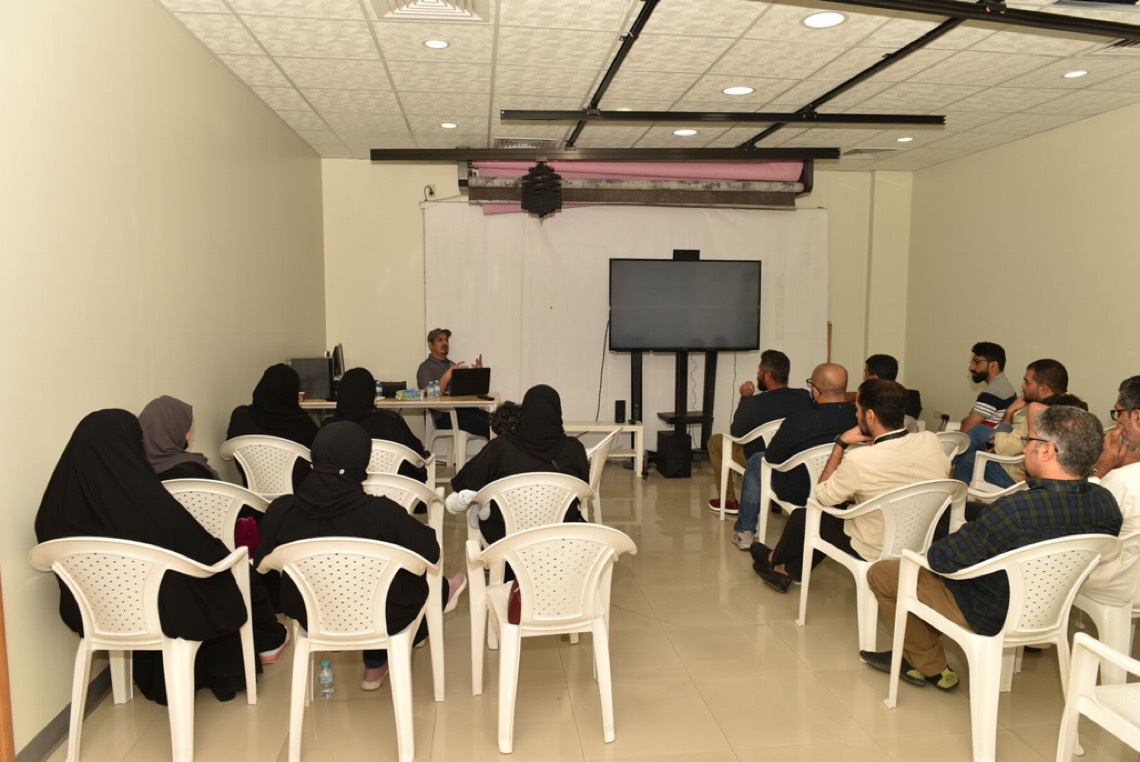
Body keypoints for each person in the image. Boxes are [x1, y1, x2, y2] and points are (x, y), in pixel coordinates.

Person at [860, 405, 1121, 691]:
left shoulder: (1017, 509)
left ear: (1046, 451)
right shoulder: (1106, 503)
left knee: (883, 574)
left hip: (987, 610)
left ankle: (928, 664)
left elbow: (941, 559)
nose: (1026, 447)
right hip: (1051, 609)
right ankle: (918, 652)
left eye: (1029, 440)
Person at [34, 410, 282, 703]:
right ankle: (227, 668)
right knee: (222, 578)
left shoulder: (52, 510)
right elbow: (198, 547)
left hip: (94, 611)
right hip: (155, 608)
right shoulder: (140, 501)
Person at [254, 422, 465, 690]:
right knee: (410, 581)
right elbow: (431, 552)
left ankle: (381, 656)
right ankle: (378, 661)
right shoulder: (381, 513)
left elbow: (261, 564)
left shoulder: (281, 510)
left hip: (312, 612)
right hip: (381, 615)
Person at [752, 379, 950, 592]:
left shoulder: (861, 459)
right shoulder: (931, 440)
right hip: (920, 538)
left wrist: (840, 444)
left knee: (806, 516)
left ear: (870, 416)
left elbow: (822, 497)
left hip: (875, 546)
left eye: (857, 409)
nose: (855, 415)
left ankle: (774, 559)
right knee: (836, 511)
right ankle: (789, 570)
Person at [731, 363, 856, 550]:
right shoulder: (860, 420)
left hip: (799, 491)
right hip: (844, 489)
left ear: (815, 391)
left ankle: (745, 531)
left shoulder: (799, 421)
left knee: (758, 459)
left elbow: (772, 458)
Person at [450, 384, 589, 545]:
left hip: (506, 542)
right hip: (562, 539)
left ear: (524, 412)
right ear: (558, 413)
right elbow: (583, 490)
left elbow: (464, 482)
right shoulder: (574, 449)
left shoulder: (501, 447)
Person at [706, 350, 812, 516]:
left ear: (768, 375)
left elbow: (736, 434)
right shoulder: (804, 396)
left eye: (759, 370)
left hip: (761, 460)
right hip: (794, 460)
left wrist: (745, 398)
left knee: (715, 441)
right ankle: (775, 499)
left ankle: (728, 501)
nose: (757, 374)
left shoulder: (754, 403)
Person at [953, 358, 1069, 486]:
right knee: (980, 431)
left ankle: (951, 485)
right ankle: (947, 464)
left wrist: (1009, 412)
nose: (1023, 386)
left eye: (1027, 382)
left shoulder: (1038, 414)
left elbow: (1005, 448)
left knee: (968, 461)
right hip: (1047, 470)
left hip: (1016, 476)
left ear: (1043, 388)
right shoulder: (1072, 410)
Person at [1081, 376, 1140, 605]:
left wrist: (1100, 468)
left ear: (1137, 417)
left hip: (1117, 584)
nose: (1117, 422)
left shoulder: (1122, 481)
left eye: (1119, 412)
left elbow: (1081, 521)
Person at [324, 367, 429, 482]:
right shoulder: (390, 423)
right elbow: (416, 455)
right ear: (371, 393)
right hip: (395, 487)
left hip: (344, 487)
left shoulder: (328, 429)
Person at [227, 363, 318, 490]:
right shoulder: (305, 426)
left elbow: (228, 453)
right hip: (297, 495)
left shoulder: (240, 417)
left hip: (253, 494)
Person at [416, 327, 490, 439]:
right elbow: (428, 394)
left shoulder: (452, 364)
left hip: (465, 409)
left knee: (498, 421)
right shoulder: (425, 367)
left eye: (446, 340)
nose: (445, 343)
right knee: (488, 426)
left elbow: (466, 392)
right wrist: (447, 375)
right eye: (440, 340)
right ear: (430, 345)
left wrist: (477, 375)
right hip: (445, 415)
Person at [139, 395, 219, 481]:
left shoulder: (133, 471)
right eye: (188, 429)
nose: (189, 436)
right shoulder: (197, 474)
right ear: (175, 432)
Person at [960, 341, 1017, 433]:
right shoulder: (1002, 384)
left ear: (993, 365)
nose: (971, 367)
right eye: (972, 362)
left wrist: (964, 422)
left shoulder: (993, 392)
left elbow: (965, 431)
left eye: (977, 362)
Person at [863, 354, 920, 433]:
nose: (864, 378)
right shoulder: (905, 396)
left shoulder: (867, 401)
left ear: (875, 378)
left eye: (866, 374)